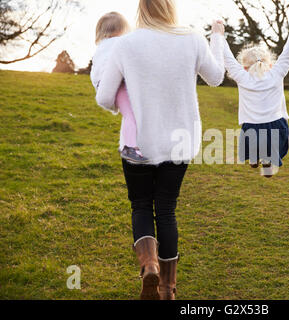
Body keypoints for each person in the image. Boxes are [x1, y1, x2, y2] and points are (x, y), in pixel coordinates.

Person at [95, 0, 225, 300]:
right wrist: (217, 35)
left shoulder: (125, 44)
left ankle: (149, 263)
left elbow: (104, 98)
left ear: (142, 9)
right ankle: (168, 288)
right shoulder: (192, 38)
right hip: (180, 142)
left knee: (141, 205)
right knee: (166, 210)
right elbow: (216, 77)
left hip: (138, 143)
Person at [223, 31, 289, 177]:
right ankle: (267, 160)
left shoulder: (242, 76)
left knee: (253, 140)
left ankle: (253, 157)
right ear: (270, 64)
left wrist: (219, 35)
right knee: (270, 146)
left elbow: (227, 58)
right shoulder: (277, 72)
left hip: (251, 126)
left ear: (244, 67)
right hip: (276, 125)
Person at [91, 12, 149, 164]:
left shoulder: (101, 46)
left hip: (105, 84)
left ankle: (128, 144)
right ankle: (130, 147)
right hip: (117, 84)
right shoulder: (121, 43)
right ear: (124, 29)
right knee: (132, 115)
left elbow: (96, 70)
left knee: (128, 114)